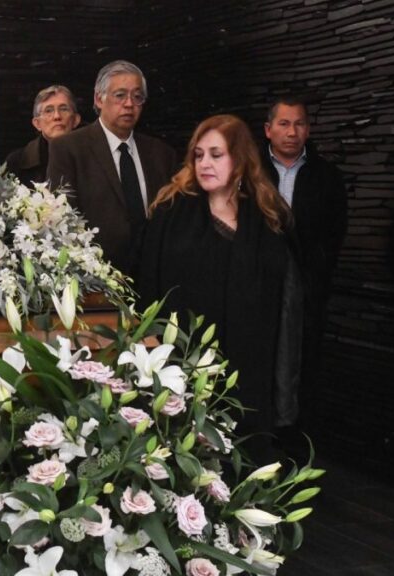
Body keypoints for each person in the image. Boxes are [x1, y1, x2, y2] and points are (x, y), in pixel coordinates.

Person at [135, 114, 298, 461]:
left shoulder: (265, 220)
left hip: (247, 372)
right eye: (199, 155)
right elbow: (149, 288)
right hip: (182, 366)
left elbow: (281, 305)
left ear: (239, 159)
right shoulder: (170, 213)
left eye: (216, 154)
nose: (205, 163)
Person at [262, 97, 347, 430]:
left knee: (301, 361)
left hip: (306, 287)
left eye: (299, 124)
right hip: (259, 282)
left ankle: (293, 435)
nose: (292, 132)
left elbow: (335, 233)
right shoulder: (251, 170)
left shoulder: (326, 175)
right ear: (268, 130)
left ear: (308, 129)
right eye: (284, 123)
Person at [47, 60, 178, 274]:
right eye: (120, 95)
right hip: (96, 277)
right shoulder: (69, 148)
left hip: (154, 274)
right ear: (99, 99)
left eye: (137, 97)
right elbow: (62, 218)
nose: (129, 104)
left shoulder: (161, 154)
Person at [4, 84, 81, 186]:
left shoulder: (93, 157)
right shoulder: (17, 162)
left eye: (63, 109)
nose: (57, 116)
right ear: (37, 124)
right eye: (49, 110)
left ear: (76, 120)